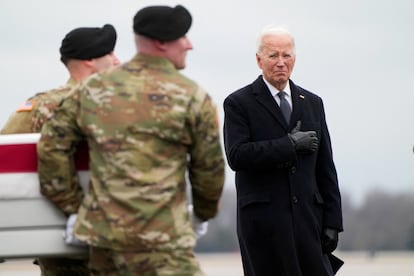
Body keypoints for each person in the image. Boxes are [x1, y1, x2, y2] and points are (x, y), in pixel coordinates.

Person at [37, 4, 225, 275]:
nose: (189, 44)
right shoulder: (192, 96)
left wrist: (75, 207)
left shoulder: (93, 89)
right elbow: (210, 171)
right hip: (164, 244)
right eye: (182, 36)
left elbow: (51, 146)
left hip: (104, 242)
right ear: (161, 43)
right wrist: (202, 213)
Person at [223, 25, 343, 276]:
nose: (280, 62)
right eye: (273, 55)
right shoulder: (238, 103)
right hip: (264, 224)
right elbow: (237, 155)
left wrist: (333, 221)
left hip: (309, 222)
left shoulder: (312, 103)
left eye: (286, 55)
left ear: (294, 59)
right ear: (259, 60)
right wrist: (288, 146)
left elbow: (326, 166)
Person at [1, 24, 119, 275]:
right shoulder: (122, 107)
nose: (117, 61)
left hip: (57, 250)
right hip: (116, 242)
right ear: (89, 61)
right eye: (110, 54)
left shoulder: (36, 108)